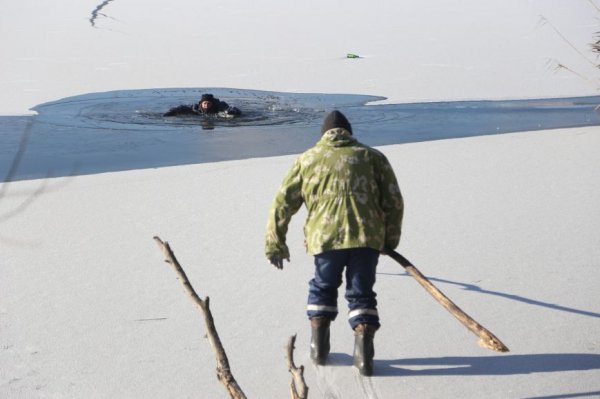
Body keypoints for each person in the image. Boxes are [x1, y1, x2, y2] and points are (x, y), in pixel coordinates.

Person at [264, 110, 404, 376]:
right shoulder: (372, 157)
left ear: (323, 135)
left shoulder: (307, 159)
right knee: (361, 293)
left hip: (324, 239)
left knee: (323, 286)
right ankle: (364, 352)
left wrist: (275, 243)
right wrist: (389, 240)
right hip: (366, 237)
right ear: (349, 132)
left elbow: (282, 204)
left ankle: (319, 347)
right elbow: (394, 202)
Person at [163, 93, 241, 118]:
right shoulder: (196, 108)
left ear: (212, 104)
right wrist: (171, 112)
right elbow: (182, 108)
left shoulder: (219, 107)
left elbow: (232, 109)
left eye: (208, 104)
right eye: (205, 103)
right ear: (201, 104)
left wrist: (232, 112)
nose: (206, 105)